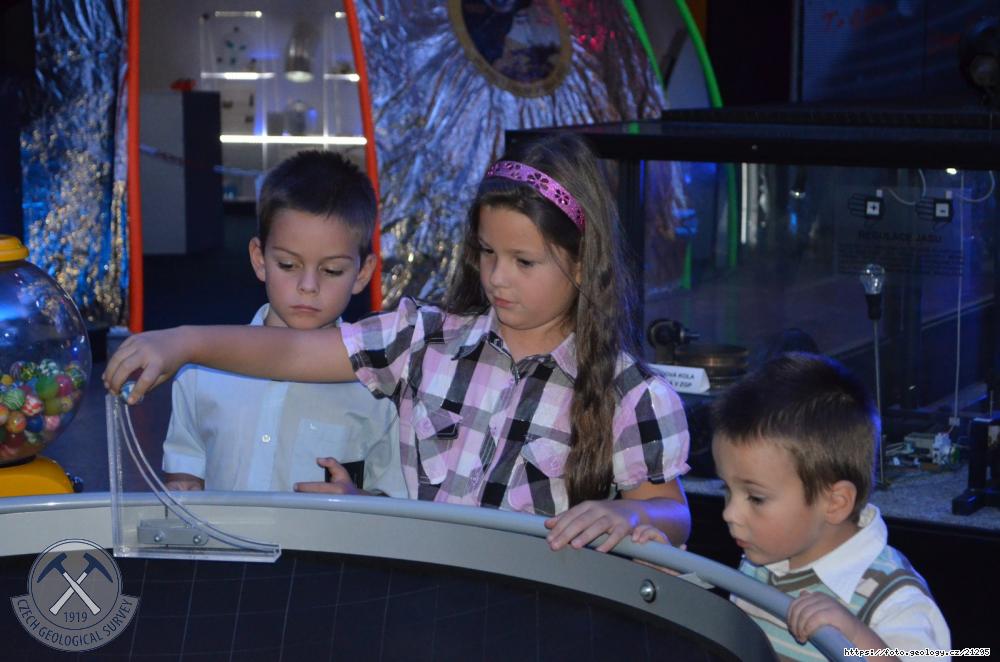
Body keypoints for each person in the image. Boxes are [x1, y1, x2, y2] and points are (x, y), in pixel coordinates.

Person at [105, 133, 692, 551]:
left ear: (584, 264)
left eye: (524, 261)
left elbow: (672, 511)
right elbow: (292, 352)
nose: (497, 277)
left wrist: (625, 513)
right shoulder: (423, 339)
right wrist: (183, 341)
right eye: (488, 252)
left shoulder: (632, 394)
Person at [161, 150, 404, 497]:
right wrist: (183, 487)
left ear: (362, 273)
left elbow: (396, 499)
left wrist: (358, 500)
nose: (308, 286)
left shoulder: (378, 389)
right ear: (260, 259)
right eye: (288, 265)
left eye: (332, 270)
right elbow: (184, 466)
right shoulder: (202, 372)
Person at [710, 353, 949, 660]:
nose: (729, 513)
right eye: (727, 489)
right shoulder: (763, 558)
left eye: (756, 498)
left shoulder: (892, 599)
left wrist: (855, 635)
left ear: (835, 503)